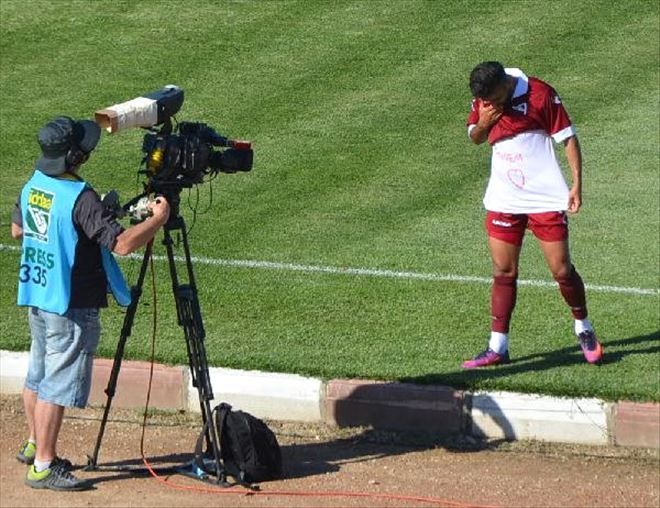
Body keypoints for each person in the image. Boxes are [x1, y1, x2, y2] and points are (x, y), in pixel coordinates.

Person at [11, 116, 171, 490]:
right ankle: (43, 466)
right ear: (73, 156)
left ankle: (34, 444)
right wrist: (158, 219)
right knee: (56, 384)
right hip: (70, 304)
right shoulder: (81, 197)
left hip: (38, 295)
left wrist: (88, 221)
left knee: (38, 374)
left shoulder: (34, 183)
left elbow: (19, 230)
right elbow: (123, 244)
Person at [462, 61, 603, 369]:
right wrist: (483, 123)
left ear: (505, 83)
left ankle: (584, 327)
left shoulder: (540, 94)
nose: (491, 104)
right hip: (504, 197)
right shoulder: (485, 99)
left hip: (544, 197)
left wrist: (576, 184)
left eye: (494, 98)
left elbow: (568, 138)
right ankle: (497, 346)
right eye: (485, 100)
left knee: (561, 270)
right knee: (503, 271)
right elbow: (475, 137)